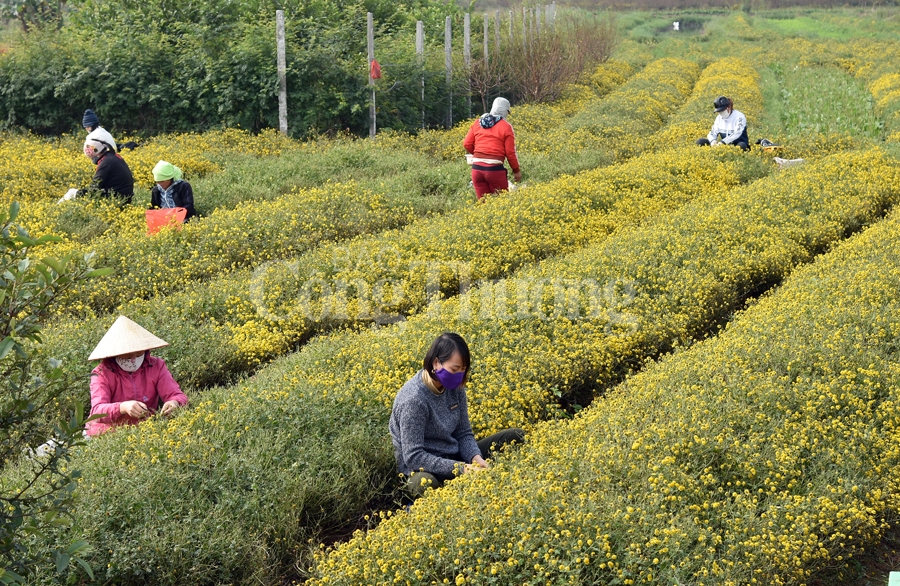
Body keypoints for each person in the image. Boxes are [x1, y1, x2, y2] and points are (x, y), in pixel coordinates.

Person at [389, 332, 525, 498]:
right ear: (436, 363)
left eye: (463, 370)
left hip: (454, 455)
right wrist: (462, 469)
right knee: (424, 485)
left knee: (515, 436)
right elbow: (414, 457)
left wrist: (476, 459)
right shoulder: (414, 400)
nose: (459, 375)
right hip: (422, 469)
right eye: (454, 369)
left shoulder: (455, 386)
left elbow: (463, 433)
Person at [86, 316, 188, 437]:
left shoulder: (156, 366)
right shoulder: (101, 373)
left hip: (143, 432)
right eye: (127, 356)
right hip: (107, 434)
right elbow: (97, 411)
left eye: (139, 354)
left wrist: (174, 402)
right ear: (115, 354)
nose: (134, 360)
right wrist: (122, 407)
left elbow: (177, 394)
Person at [463, 97, 522, 200]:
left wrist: (478, 154)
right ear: (504, 111)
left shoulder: (478, 123)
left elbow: (467, 143)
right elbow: (510, 153)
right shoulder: (506, 127)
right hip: (495, 170)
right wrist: (516, 171)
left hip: (477, 170)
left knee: (483, 204)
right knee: (501, 203)